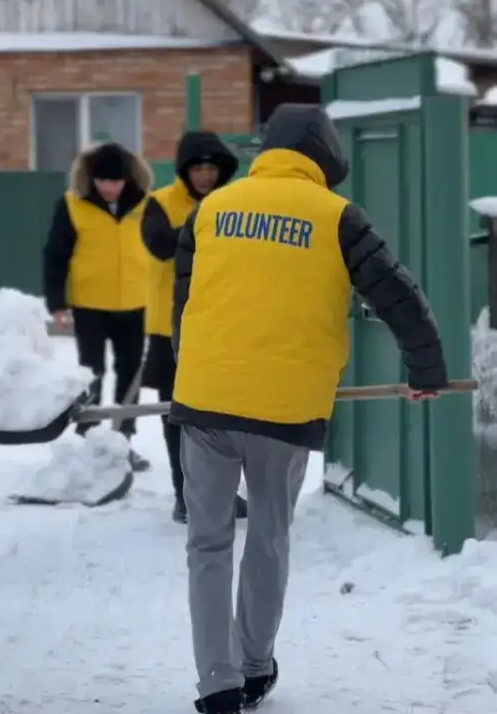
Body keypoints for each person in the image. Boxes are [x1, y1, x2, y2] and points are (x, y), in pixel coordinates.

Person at [170, 103, 449, 714]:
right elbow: (398, 294)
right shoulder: (336, 216)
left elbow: (184, 302)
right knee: (268, 536)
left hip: (204, 403)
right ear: (324, 160)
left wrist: (189, 375)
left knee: (207, 544)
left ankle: (216, 684)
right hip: (282, 411)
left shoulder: (211, 209)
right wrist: (426, 368)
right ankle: (253, 667)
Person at [141, 130, 248, 523]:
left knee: (225, 416)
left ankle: (223, 493)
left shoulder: (236, 201)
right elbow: (160, 244)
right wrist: (210, 224)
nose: (205, 175)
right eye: (198, 168)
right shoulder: (160, 204)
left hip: (224, 324)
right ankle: (185, 496)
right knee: (177, 416)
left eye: (211, 168)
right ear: (184, 171)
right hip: (171, 329)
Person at [43, 141, 151, 473]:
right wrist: (57, 303)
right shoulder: (73, 204)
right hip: (90, 303)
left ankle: (124, 441)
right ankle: (89, 437)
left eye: (116, 181)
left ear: (128, 178)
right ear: (92, 178)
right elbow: (55, 254)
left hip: (135, 301)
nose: (111, 187)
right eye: (104, 181)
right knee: (92, 372)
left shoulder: (147, 204)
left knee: (130, 374)